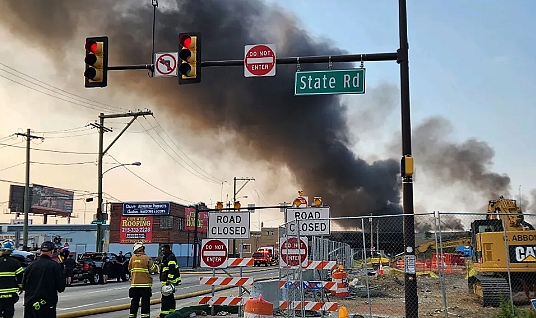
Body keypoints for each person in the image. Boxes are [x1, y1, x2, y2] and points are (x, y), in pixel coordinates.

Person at [22, 241, 66, 318]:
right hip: (47, 304)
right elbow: (61, 287)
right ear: (52, 251)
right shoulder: (55, 266)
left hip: (30, 304)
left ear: (40, 251)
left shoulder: (30, 266)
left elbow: (24, 286)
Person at [128, 242, 157, 318]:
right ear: (142, 249)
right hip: (145, 285)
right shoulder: (147, 258)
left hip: (134, 284)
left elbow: (129, 269)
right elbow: (152, 269)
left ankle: (132, 316)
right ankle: (145, 316)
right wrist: (157, 265)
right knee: (145, 302)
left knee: (134, 302)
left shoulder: (132, 258)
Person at [0, 240, 23, 318]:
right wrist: (21, 287)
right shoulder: (15, 263)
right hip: (10, 295)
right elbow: (20, 277)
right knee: (8, 314)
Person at [159, 244, 181, 318]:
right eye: (162, 250)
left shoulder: (170, 257)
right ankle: (172, 311)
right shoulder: (167, 257)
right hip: (168, 280)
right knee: (170, 297)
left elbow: (171, 269)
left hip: (169, 281)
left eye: (164, 250)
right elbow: (164, 267)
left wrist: (169, 279)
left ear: (168, 249)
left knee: (166, 298)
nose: (163, 251)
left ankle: (164, 313)